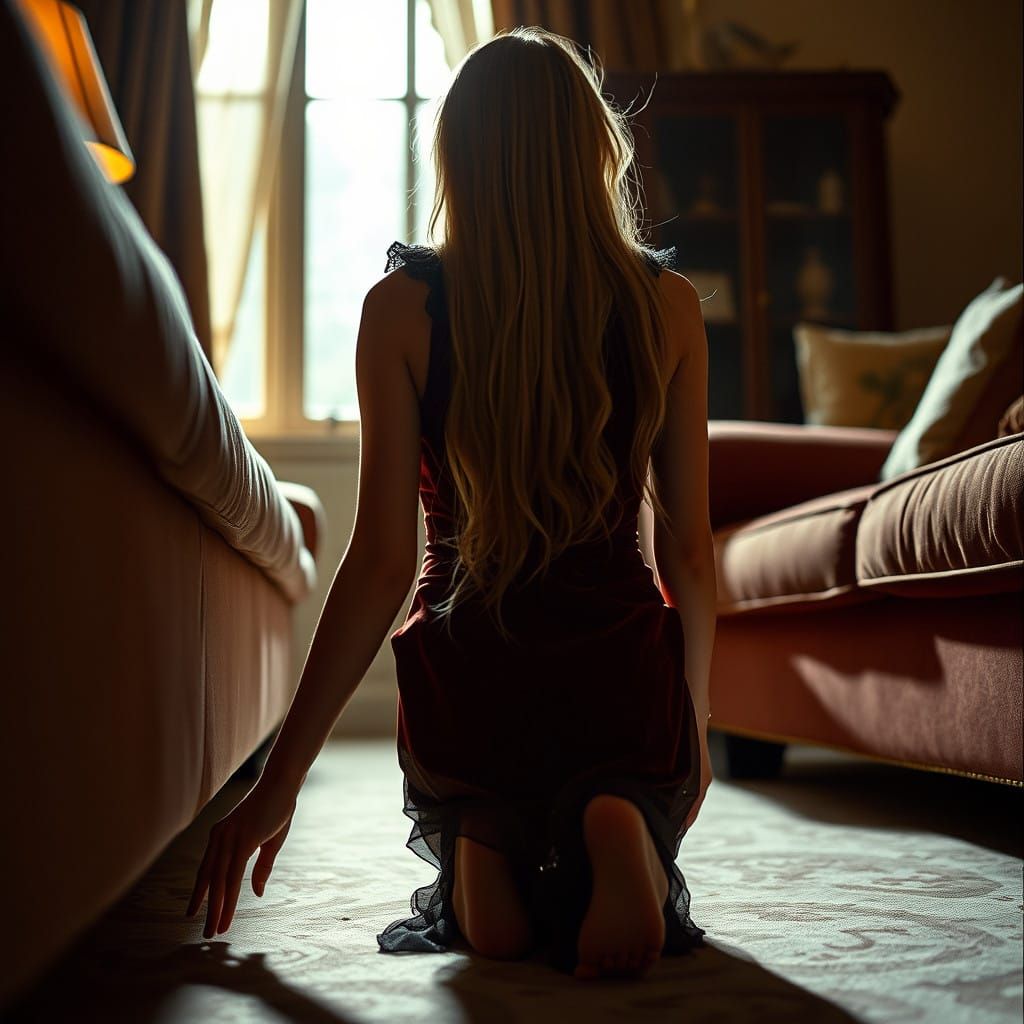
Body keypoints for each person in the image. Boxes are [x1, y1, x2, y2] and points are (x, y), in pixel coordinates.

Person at [185, 25, 716, 982]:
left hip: (470, 682)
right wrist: (695, 724)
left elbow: (381, 565)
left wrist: (281, 777)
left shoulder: (400, 310)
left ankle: (482, 840)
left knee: (483, 811)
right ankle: (622, 812)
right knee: (625, 768)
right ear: (595, 149)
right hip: (620, 675)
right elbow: (692, 556)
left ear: (456, 156)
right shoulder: (665, 307)